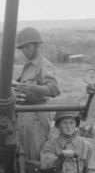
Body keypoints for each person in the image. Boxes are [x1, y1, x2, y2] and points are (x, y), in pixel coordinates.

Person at [12, 26, 60, 161]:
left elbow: (53, 89)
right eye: (22, 48)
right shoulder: (28, 65)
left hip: (36, 115)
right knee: (23, 154)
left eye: (27, 47)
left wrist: (31, 87)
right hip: (24, 113)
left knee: (36, 156)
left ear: (35, 46)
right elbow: (23, 86)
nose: (24, 51)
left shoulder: (44, 65)